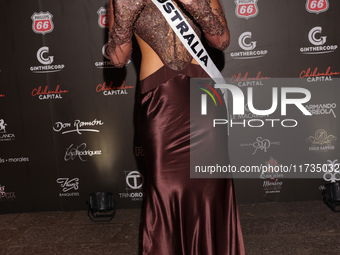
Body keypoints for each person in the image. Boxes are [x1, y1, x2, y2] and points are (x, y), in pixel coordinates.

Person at [108, 0, 245, 254]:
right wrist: (125, 16)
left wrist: (196, 4)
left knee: (210, 188)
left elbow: (222, 40)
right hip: (160, 105)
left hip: (205, 100)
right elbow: (118, 58)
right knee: (165, 188)